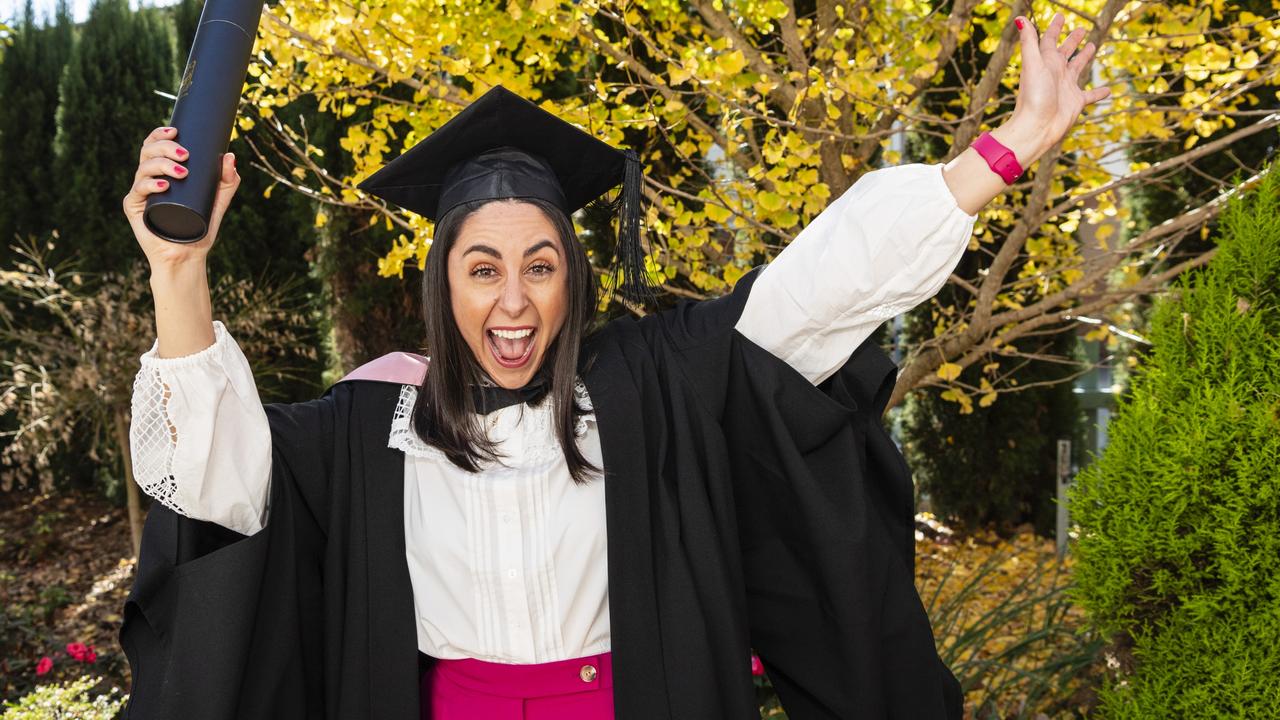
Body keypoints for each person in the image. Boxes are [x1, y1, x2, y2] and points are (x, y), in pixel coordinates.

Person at [118, 13, 1108, 719]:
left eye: (540, 265)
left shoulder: (651, 387)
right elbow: (207, 477)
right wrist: (177, 269)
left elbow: (822, 285)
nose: (513, 299)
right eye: (482, 268)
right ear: (440, 285)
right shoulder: (367, 424)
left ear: (573, 278)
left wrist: (1009, 144)